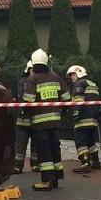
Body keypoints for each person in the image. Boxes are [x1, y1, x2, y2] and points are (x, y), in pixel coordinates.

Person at [23, 48, 71, 191]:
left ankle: (46, 181)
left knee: (44, 151)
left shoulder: (33, 79)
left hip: (40, 123)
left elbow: (29, 100)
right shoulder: (56, 77)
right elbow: (67, 98)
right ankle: (56, 178)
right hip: (55, 121)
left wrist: (25, 111)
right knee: (54, 148)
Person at [66, 65, 101, 173]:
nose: (71, 77)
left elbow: (78, 100)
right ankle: (96, 161)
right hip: (93, 119)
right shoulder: (92, 84)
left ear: (79, 73)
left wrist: (75, 114)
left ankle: (85, 163)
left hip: (83, 118)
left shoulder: (79, 84)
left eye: (72, 74)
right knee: (90, 140)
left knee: (80, 140)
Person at [14, 60, 38, 173]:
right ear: (28, 70)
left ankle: (35, 165)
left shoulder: (40, 81)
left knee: (35, 144)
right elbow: (23, 97)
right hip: (23, 119)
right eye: (32, 70)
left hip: (36, 118)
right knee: (20, 144)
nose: (34, 72)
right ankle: (18, 166)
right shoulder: (22, 82)